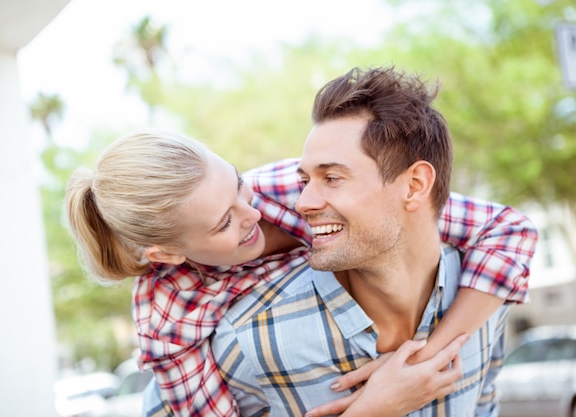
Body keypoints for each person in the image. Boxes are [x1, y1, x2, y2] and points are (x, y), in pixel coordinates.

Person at [65, 124, 536, 416]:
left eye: (237, 185)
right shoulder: (169, 314)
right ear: (167, 253)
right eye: (225, 222)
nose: (253, 215)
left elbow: (507, 229)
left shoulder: (294, 187)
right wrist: (375, 408)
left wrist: (422, 360)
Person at [209, 65, 532, 417]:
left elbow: (483, 406)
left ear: (415, 185)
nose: (303, 203)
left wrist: (427, 359)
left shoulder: (485, 297)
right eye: (304, 181)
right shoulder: (249, 338)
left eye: (331, 178)